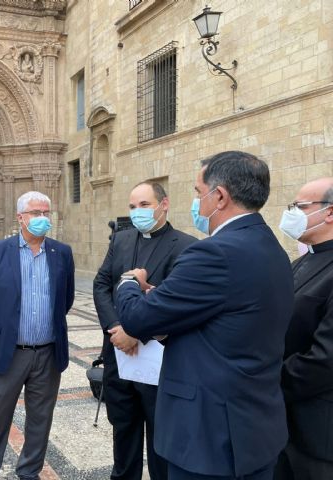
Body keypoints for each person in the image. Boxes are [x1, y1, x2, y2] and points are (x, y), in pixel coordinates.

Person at [114, 151, 294, 480]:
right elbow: (226, 320)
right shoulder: (271, 247)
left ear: (220, 196)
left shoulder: (214, 252)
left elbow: (137, 319)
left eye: (199, 193)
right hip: (253, 430)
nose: (197, 202)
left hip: (210, 439)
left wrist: (129, 282)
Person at [93, 181, 196, 480]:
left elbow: (177, 303)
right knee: (123, 429)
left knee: (161, 437)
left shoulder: (187, 246)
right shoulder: (121, 241)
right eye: (132, 207)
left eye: (144, 205)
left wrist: (136, 333)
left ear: (164, 204)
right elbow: (102, 284)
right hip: (119, 357)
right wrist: (115, 327)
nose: (137, 212)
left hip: (160, 362)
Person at [0, 191, 75, 480]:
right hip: (10, 351)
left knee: (40, 419)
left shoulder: (62, 253)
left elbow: (65, 300)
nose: (42, 218)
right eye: (35, 213)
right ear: (20, 217)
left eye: (46, 212)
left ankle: (29, 472)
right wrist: (5, 327)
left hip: (48, 353)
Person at [274, 178, 333, 479]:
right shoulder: (300, 263)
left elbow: (325, 359)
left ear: (330, 213)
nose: (292, 214)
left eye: (299, 207)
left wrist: (267, 382)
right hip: (284, 427)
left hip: (318, 434)